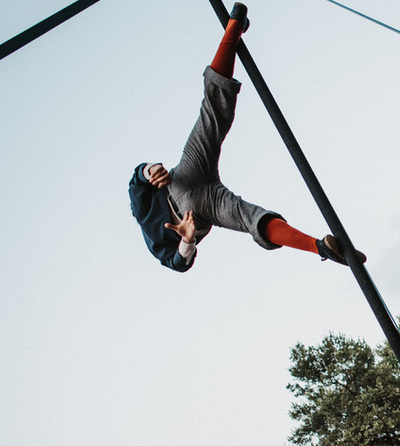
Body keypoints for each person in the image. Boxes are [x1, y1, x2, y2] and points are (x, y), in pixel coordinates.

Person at [129, 3, 363, 273]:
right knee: (213, 113)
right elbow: (137, 178)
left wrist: (187, 239)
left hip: (196, 211)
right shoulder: (138, 205)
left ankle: (319, 247)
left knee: (247, 217)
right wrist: (151, 171)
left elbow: (178, 263)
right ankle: (233, 30)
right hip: (182, 181)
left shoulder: (151, 241)